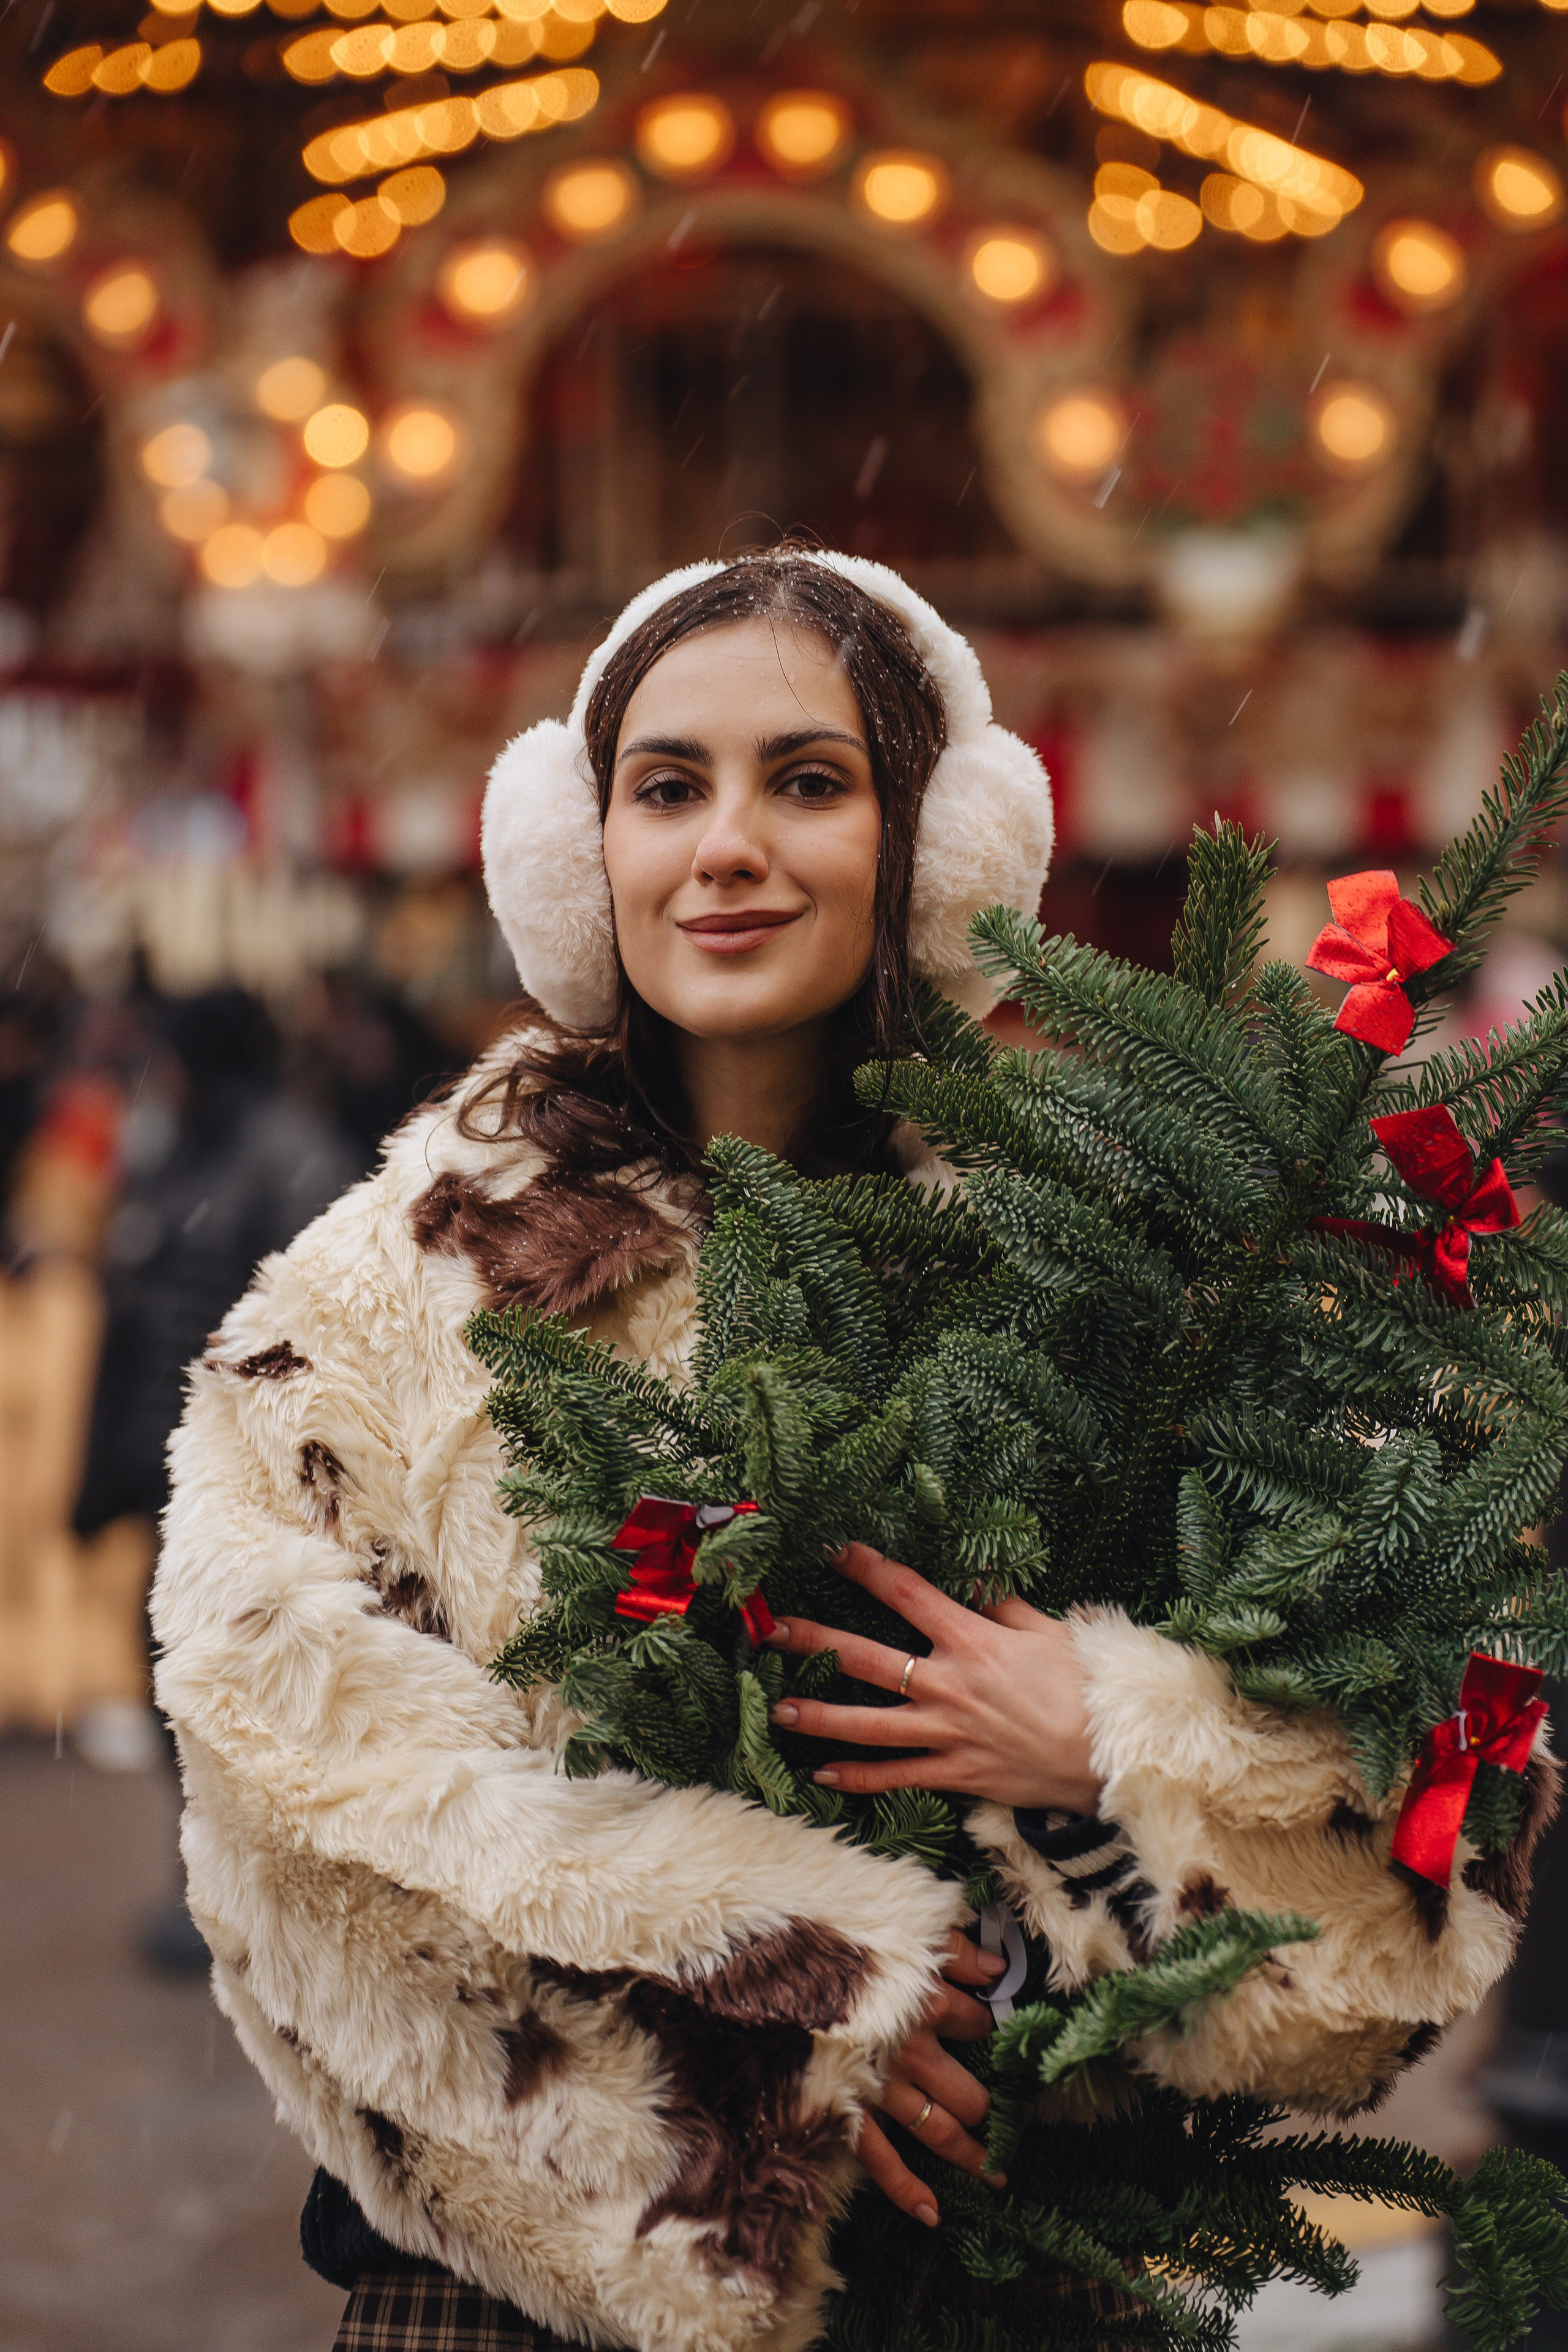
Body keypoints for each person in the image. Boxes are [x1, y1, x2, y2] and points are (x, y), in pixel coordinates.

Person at [151, 551, 1543, 2352]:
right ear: (584, 858)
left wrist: (1119, 1749)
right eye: (668, 790)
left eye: (807, 783)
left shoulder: (1118, 1253)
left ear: (933, 849)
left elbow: (1436, 1778)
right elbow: (294, 1799)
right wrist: (766, 2047)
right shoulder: (390, 1287)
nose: (727, 846)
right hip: (523, 2310)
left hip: (1028, 2291)